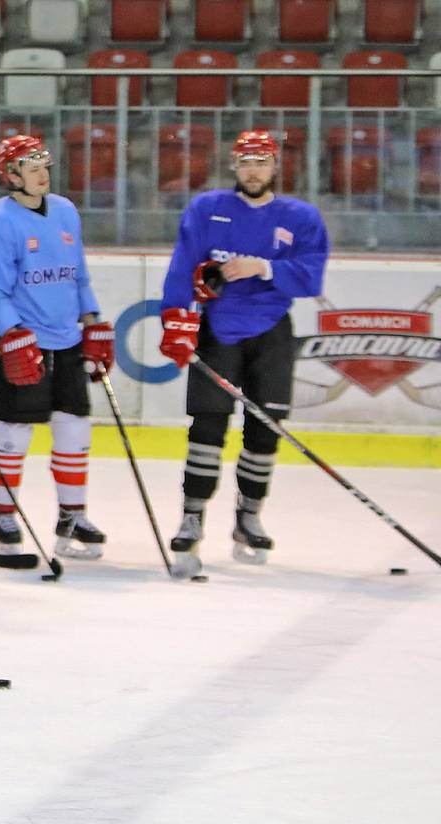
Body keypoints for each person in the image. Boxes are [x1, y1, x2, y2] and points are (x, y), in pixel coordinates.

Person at [158, 129, 329, 567]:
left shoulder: (301, 217)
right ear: (234, 165)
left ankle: (249, 516)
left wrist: (265, 267)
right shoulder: (207, 208)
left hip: (271, 332)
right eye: (246, 162)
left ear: (275, 166)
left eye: (262, 161)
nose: (253, 170)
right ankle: (191, 517)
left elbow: (311, 277)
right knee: (208, 427)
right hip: (218, 328)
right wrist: (176, 320)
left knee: (264, 429)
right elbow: (183, 266)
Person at [0, 134, 115, 558]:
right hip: (21, 340)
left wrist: (93, 321)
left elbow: (79, 277)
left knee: (74, 427)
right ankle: (3, 514)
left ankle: (72, 515)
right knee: (13, 431)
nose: (42, 174)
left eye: (44, 167)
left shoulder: (66, 212)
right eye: (31, 167)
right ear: (11, 174)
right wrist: (13, 332)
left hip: (67, 339)